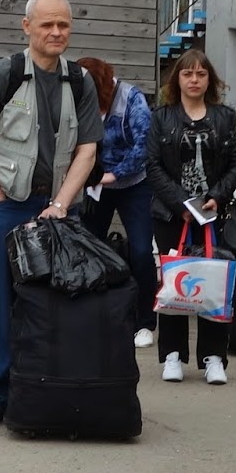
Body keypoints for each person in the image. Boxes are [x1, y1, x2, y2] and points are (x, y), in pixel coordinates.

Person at [0, 0, 103, 430]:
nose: (56, 32)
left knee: (60, 304)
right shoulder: (2, 76)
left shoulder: (80, 81)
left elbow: (87, 149)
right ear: (27, 27)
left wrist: (61, 204)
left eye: (63, 25)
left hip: (59, 211)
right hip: (9, 208)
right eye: (47, 25)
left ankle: (52, 390)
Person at [145, 49, 236, 385]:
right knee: (175, 282)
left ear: (209, 80)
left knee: (214, 282)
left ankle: (214, 357)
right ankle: (172, 355)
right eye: (188, 74)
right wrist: (182, 205)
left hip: (213, 214)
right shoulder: (162, 117)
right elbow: (152, 166)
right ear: (177, 79)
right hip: (171, 215)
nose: (194, 80)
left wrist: (217, 196)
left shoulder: (224, 117)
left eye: (201, 74)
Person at [76, 57, 159, 351]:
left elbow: (145, 144)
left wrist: (115, 174)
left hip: (134, 183)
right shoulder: (78, 98)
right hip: (94, 184)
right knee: (87, 247)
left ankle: (145, 321)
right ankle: (91, 315)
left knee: (141, 250)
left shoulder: (130, 98)